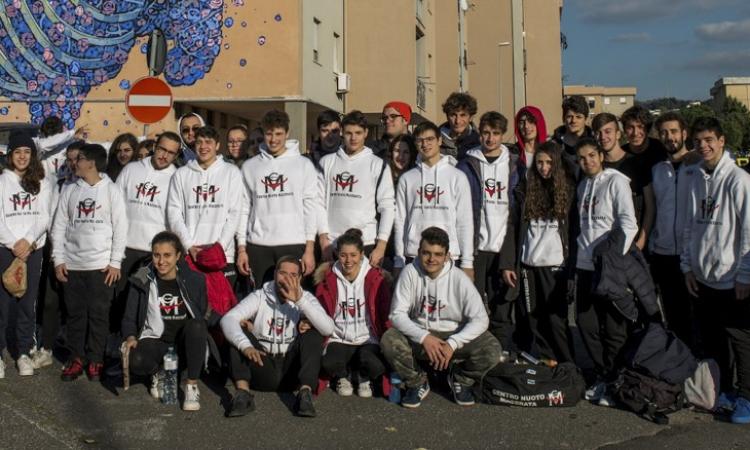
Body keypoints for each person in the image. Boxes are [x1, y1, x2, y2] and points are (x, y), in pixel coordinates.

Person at [382, 227, 502, 408]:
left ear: (447, 256)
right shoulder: (410, 272)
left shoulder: (459, 279)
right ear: (419, 252)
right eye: (426, 253)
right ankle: (417, 382)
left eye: (438, 254)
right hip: (421, 335)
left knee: (492, 349)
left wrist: (454, 342)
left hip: (452, 335)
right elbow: (396, 314)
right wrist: (424, 337)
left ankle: (461, 379)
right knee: (389, 340)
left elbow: (481, 319)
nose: (432, 259)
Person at [681, 117, 750, 424]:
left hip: (733, 279)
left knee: (741, 341)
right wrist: (687, 266)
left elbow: (749, 231)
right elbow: (689, 226)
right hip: (703, 276)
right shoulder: (696, 177)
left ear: (722, 141)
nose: (704, 146)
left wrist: (745, 274)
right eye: (698, 141)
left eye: (709, 139)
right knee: (714, 340)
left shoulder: (738, 179)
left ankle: (747, 397)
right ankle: (726, 391)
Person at [221, 256, 335, 418]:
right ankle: (243, 394)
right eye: (283, 273)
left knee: (314, 332)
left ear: (300, 278)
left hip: (291, 372)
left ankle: (305, 394)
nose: (287, 278)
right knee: (236, 333)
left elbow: (328, 328)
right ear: (275, 274)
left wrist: (300, 301)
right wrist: (245, 345)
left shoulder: (306, 298)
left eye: (293, 275)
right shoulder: (260, 295)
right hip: (262, 365)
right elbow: (228, 319)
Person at [52, 144, 128, 381]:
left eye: (80, 159)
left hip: (101, 266)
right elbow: (59, 226)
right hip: (73, 264)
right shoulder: (70, 189)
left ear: (92, 163)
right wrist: (58, 259)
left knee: (98, 315)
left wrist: (115, 261)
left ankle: (96, 359)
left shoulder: (111, 191)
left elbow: (121, 228)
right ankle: (77, 357)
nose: (75, 162)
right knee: (75, 314)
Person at [573, 137, 637, 404]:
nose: (587, 162)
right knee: (586, 323)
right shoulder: (582, 186)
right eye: (582, 158)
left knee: (613, 328)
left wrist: (615, 261)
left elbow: (628, 224)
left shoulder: (616, 181)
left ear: (600, 155)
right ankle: (603, 375)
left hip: (609, 267)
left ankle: (615, 379)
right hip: (585, 266)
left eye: (591, 156)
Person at [500, 142, 576, 363]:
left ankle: (567, 364)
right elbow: (513, 228)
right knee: (532, 317)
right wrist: (508, 263)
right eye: (540, 163)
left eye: (549, 162)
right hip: (528, 264)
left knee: (555, 320)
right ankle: (546, 360)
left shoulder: (568, 190)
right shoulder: (526, 191)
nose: (544, 168)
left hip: (554, 266)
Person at [121, 231, 208, 411]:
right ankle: (158, 371)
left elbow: (202, 313)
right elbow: (129, 316)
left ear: (178, 256)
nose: (161, 261)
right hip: (156, 341)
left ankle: (191, 385)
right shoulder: (141, 278)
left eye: (167, 255)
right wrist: (130, 337)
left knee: (198, 325)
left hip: (182, 344)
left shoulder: (194, 279)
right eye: (156, 255)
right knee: (133, 358)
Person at [456, 111, 523, 348]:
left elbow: (518, 212)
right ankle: (472, 358)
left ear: (503, 135)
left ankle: (501, 355)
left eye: (495, 134)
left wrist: (510, 256)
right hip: (475, 247)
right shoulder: (466, 164)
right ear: (479, 133)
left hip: (504, 246)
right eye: (486, 133)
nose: (490, 138)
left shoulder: (515, 164)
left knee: (502, 307)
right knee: (471, 307)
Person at [236, 110, 321, 283]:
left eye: (278, 134)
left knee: (292, 301)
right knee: (260, 300)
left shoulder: (303, 165)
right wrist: (242, 248)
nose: (273, 139)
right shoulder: (250, 166)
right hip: (258, 245)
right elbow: (244, 208)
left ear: (287, 133)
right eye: (269, 134)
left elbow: (311, 207)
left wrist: (310, 248)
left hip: (294, 243)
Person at [114, 132, 181, 331]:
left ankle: (140, 340)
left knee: (142, 300)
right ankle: (119, 341)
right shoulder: (131, 169)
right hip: (124, 247)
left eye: (170, 153)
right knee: (120, 296)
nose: (164, 156)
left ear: (176, 156)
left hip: (152, 255)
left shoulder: (176, 178)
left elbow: (175, 218)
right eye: (161, 149)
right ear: (154, 147)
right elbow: (115, 206)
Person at [314, 228, 391, 397]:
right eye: (343, 255)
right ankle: (344, 375)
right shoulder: (327, 279)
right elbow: (318, 310)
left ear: (362, 254)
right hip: (339, 337)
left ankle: (363, 376)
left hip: (367, 339)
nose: (348, 260)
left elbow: (385, 313)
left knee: (375, 364)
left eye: (353, 255)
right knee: (328, 362)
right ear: (336, 254)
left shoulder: (375, 278)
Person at [0, 132, 52, 378]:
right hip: (5, 249)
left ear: (32, 156)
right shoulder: (2, 181)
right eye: (18, 152)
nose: (22, 156)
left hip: (32, 251)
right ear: (10, 155)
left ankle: (22, 352)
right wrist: (13, 244)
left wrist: (28, 243)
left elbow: (44, 217)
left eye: (27, 152)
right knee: (2, 305)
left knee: (26, 304)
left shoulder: (41, 182)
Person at [394, 121, 474, 279]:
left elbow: (465, 221)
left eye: (430, 139)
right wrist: (398, 260)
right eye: (420, 140)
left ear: (439, 141)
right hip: (414, 254)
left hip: (448, 257)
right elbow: (400, 221)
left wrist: (467, 263)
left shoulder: (457, 177)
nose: (425, 144)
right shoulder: (407, 179)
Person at [317, 110, 395, 267]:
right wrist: (323, 239)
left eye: (358, 133)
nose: (353, 138)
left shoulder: (378, 165)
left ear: (366, 133)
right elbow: (318, 204)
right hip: (332, 245)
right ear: (342, 133)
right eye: (348, 133)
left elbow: (387, 207)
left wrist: (381, 246)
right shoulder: (327, 162)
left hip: (365, 242)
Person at [650, 112, 698, 347]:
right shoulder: (658, 170)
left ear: (684, 133)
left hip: (692, 255)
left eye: (674, 131)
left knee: (697, 318)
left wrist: (697, 154)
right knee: (672, 316)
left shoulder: (699, 165)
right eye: (664, 133)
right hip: (664, 254)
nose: (669, 137)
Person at [593, 113, 655, 251]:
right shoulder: (595, 168)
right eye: (598, 132)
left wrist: (642, 241)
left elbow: (650, 206)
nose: (603, 137)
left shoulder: (637, 164)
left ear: (618, 134)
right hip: (604, 246)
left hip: (634, 244)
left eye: (608, 131)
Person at [551, 95, 593, 175]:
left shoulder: (595, 143)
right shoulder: (554, 144)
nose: (574, 120)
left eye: (578, 117)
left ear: (586, 119)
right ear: (563, 118)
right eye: (570, 116)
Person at [621, 105, 667, 171]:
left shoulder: (662, 149)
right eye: (630, 127)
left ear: (647, 128)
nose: (635, 133)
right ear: (625, 130)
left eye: (640, 127)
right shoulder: (620, 154)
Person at [439, 92, 481, 161]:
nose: (457, 121)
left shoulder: (480, 143)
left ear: (471, 117)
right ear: (447, 116)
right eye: (453, 115)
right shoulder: (433, 142)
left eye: (463, 115)